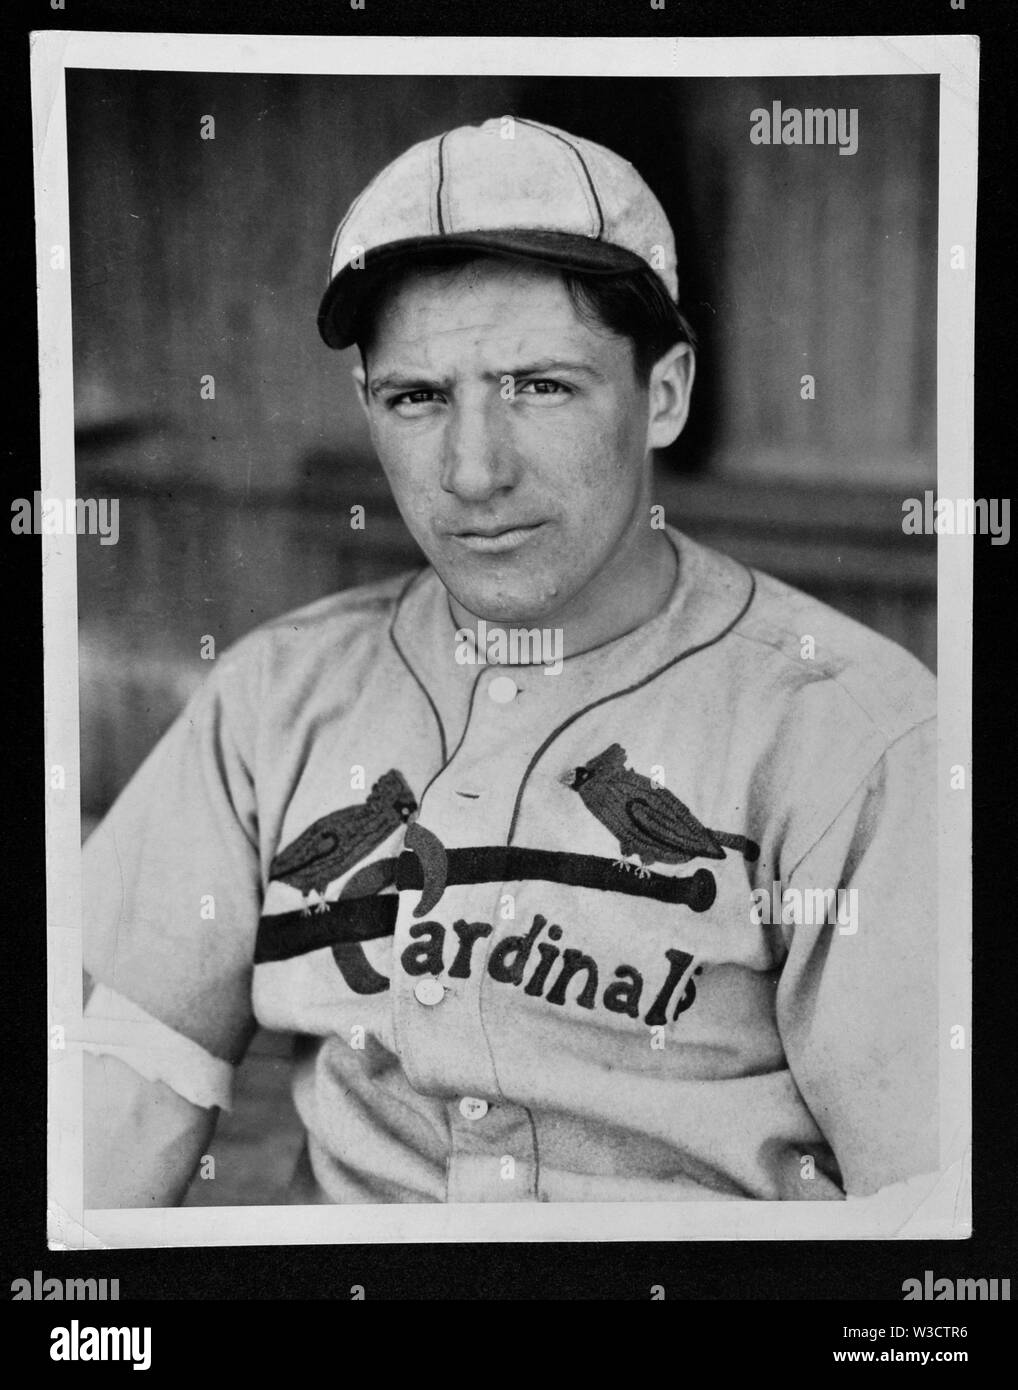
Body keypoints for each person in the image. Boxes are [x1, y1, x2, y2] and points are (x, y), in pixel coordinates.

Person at [81, 117, 938, 1207]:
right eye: (417, 397)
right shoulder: (271, 695)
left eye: (540, 386)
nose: (472, 470)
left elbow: (926, 1222)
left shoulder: (853, 731)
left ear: (663, 393)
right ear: (367, 409)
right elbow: (128, 1095)